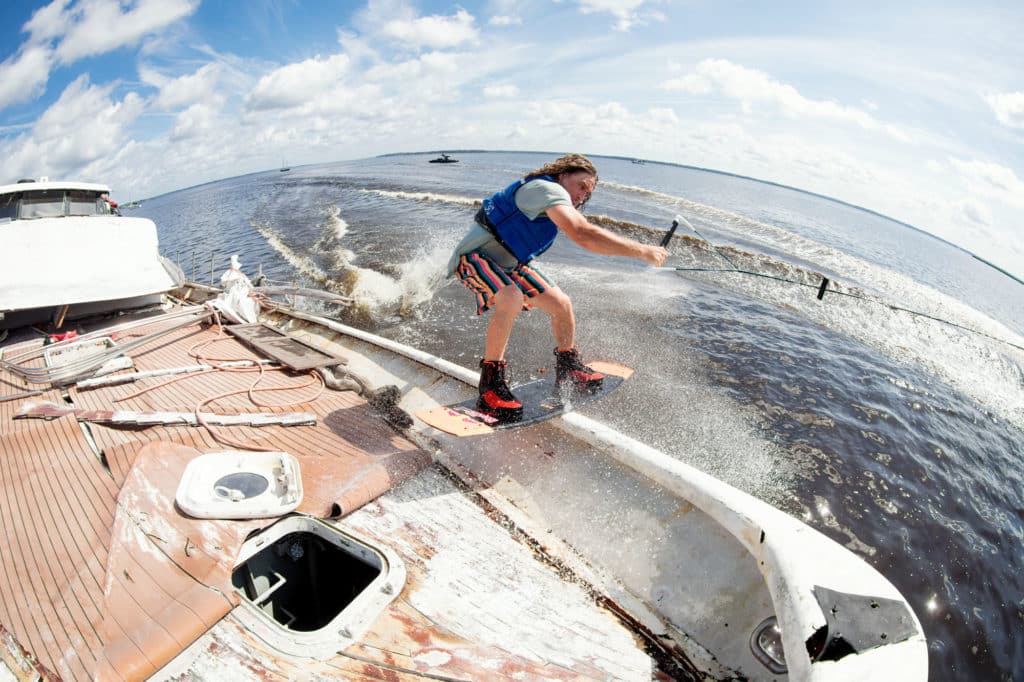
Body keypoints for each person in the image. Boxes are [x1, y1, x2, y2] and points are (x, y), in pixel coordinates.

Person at [449, 153, 668, 420]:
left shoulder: (553, 197)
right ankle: (490, 386)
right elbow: (583, 234)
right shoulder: (544, 189)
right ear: (563, 175)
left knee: (561, 304)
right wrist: (643, 251)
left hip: (511, 263)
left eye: (589, 193)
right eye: (582, 186)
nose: (583, 196)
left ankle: (569, 367)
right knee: (511, 297)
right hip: (473, 258)